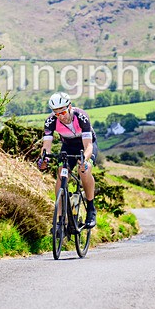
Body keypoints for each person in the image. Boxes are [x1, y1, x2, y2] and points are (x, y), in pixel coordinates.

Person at [37, 92, 98, 228]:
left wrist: (84, 161)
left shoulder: (81, 117)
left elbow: (88, 145)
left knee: (84, 171)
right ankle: (60, 220)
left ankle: (91, 209)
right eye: (56, 113)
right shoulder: (50, 121)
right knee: (61, 176)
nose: (61, 116)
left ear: (69, 107)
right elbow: (46, 146)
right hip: (68, 146)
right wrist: (44, 159)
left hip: (86, 145)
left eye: (63, 112)